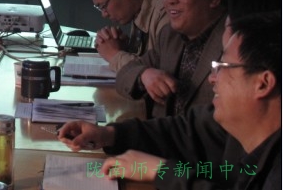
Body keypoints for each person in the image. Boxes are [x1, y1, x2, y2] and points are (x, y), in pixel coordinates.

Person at [58, 11, 281, 190]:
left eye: (223, 67)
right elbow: (182, 131)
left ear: (263, 83)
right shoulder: (236, 123)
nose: (213, 78)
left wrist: (161, 171)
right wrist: (109, 134)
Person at [116, 0, 229, 117]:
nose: (170, 0)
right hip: (160, 131)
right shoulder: (170, 35)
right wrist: (144, 75)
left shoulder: (235, 43)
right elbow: (125, 74)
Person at [82, 0, 169, 72]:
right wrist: (124, 48)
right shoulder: (140, 4)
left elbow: (160, 76)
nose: (104, 14)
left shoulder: (168, 10)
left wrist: (114, 55)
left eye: (103, 6)